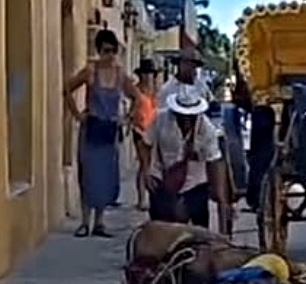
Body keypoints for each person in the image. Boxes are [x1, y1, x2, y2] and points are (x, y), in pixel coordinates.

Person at [64, 29, 141, 237]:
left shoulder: (119, 74)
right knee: (87, 174)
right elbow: (67, 88)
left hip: (108, 131)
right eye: (106, 50)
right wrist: (77, 115)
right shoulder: (90, 71)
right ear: (99, 50)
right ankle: (84, 222)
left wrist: (127, 119)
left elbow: (137, 97)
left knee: (105, 176)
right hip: (91, 128)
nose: (110, 55)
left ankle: (99, 222)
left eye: (113, 51)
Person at [140, 86, 228, 227]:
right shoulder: (160, 119)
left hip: (195, 184)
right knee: (160, 228)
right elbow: (145, 143)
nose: (186, 120)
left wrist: (219, 195)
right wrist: (146, 171)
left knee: (198, 231)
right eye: (181, 115)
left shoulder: (207, 130)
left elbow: (214, 162)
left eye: (190, 116)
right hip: (162, 178)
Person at [130, 58, 160, 211]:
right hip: (140, 130)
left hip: (154, 130)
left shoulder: (156, 91)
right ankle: (141, 199)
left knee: (152, 164)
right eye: (145, 73)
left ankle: (150, 196)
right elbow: (131, 110)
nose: (148, 76)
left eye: (150, 73)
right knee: (144, 164)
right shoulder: (136, 91)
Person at [156, 49, 214, 114]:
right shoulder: (167, 89)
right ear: (180, 65)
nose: (192, 69)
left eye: (194, 66)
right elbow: (162, 114)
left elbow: (211, 107)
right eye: (189, 65)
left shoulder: (201, 87)